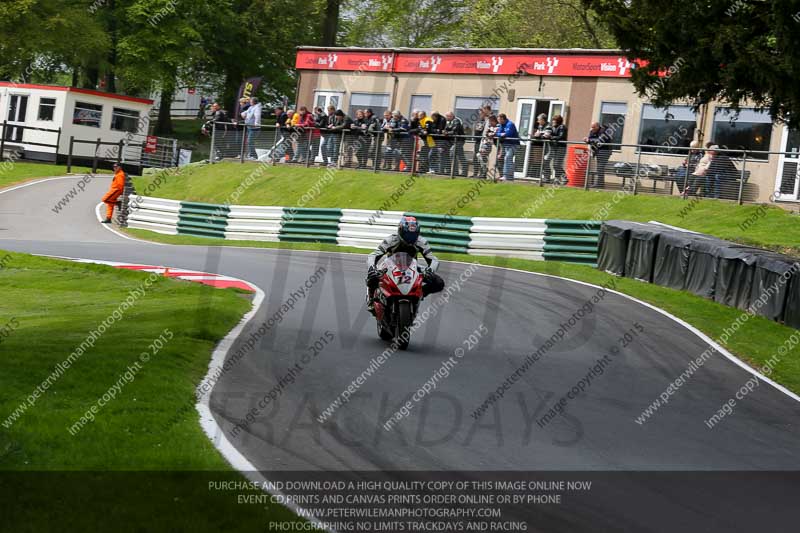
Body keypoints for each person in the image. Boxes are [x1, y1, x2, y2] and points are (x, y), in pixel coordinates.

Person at [365, 216, 445, 314]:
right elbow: (373, 255)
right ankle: (371, 299)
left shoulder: (421, 242)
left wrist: (430, 270)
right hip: (390, 267)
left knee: (439, 282)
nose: (410, 239)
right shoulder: (391, 240)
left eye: (413, 235)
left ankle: (419, 294)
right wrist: (372, 267)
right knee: (372, 275)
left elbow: (433, 259)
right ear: (400, 231)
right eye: (407, 235)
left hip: (412, 268)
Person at [584, 121, 612, 187]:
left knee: (600, 167)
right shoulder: (592, 131)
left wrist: (589, 140)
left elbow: (600, 140)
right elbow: (590, 139)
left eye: (593, 127)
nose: (592, 129)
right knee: (600, 168)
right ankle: (600, 184)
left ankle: (600, 184)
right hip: (598, 151)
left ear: (597, 126)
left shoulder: (603, 131)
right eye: (591, 127)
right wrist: (586, 140)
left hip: (605, 151)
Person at [495, 113, 519, 181]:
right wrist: (501, 134)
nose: (498, 121)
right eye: (498, 119)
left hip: (513, 145)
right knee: (505, 159)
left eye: (499, 119)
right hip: (506, 145)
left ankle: (507, 176)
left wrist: (502, 134)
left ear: (503, 119)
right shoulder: (501, 125)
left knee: (508, 158)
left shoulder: (510, 124)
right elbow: (497, 133)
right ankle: (508, 176)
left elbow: (508, 134)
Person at [472, 104, 493, 177]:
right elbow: (477, 129)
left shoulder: (490, 119)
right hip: (478, 141)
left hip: (485, 141)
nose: (481, 112)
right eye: (481, 111)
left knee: (483, 157)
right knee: (476, 157)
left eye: (483, 111)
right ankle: (475, 173)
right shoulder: (480, 119)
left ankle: (483, 173)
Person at [443, 111, 467, 176]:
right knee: (461, 156)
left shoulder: (456, 121)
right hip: (454, 141)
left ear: (451, 116)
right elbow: (446, 129)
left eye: (448, 116)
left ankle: (456, 172)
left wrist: (447, 133)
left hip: (459, 140)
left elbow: (455, 131)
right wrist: (445, 131)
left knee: (452, 152)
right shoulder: (448, 122)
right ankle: (463, 172)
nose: (446, 117)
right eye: (446, 116)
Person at [477, 115, 498, 179]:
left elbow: (493, 134)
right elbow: (487, 133)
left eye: (491, 121)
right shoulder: (490, 126)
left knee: (480, 155)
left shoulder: (498, 126)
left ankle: (484, 172)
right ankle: (483, 171)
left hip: (489, 144)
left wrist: (490, 134)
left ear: (494, 121)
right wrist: (489, 134)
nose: (490, 123)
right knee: (479, 156)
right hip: (485, 143)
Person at [549, 115, 568, 184]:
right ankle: (556, 179)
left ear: (557, 121)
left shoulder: (562, 127)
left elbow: (561, 136)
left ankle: (565, 177)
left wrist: (551, 137)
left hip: (561, 148)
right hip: (555, 148)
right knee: (555, 164)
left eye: (554, 120)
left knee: (556, 164)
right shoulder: (554, 127)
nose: (552, 121)